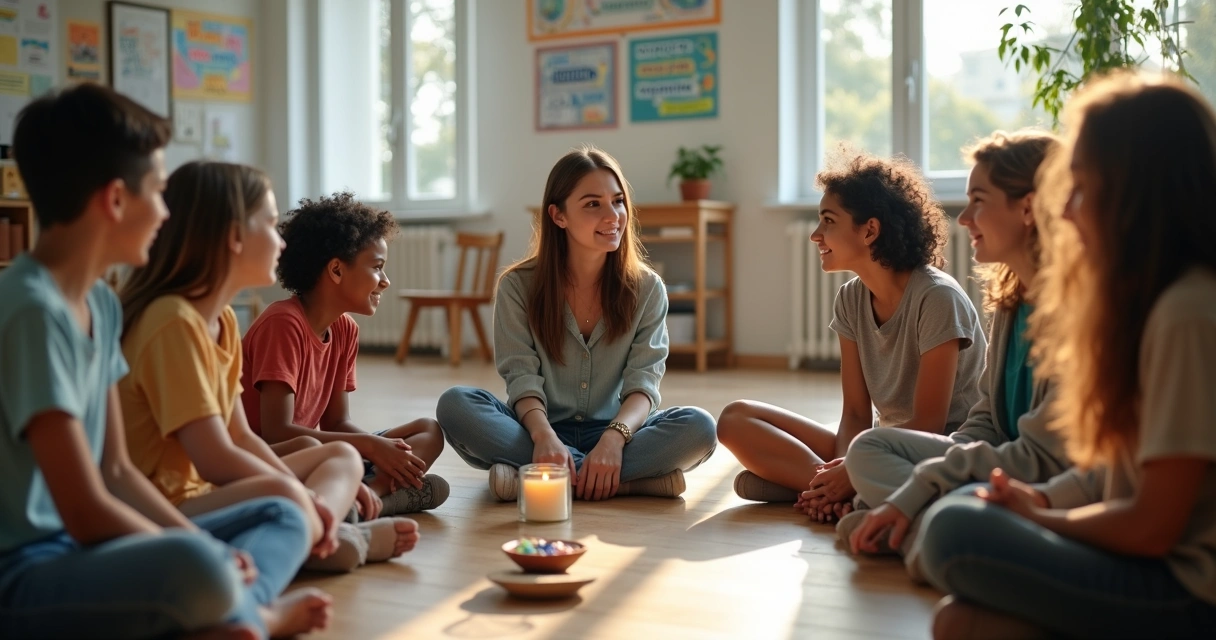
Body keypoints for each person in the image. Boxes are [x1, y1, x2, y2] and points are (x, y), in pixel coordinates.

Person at [0, 83, 328, 639]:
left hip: (89, 549)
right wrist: (201, 551)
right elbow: (82, 511)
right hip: (28, 570)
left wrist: (199, 545)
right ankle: (250, 614)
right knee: (199, 566)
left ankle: (225, 613)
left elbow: (117, 472)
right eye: (157, 190)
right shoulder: (33, 311)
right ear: (115, 200)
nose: (166, 211)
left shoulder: (101, 304)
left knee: (282, 514)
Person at [918, 72, 1216, 639]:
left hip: (1189, 592)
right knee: (958, 621)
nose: (1069, 212)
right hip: (1145, 560)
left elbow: (1153, 526)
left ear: (1134, 188)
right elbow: (1106, 475)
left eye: (1080, 188)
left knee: (954, 531)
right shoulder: (1145, 303)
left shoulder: (1188, 312)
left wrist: (1043, 518)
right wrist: (1037, 500)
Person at [119, 161, 418, 575]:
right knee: (294, 492)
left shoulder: (220, 319)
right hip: (174, 503)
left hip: (208, 490)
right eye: (270, 223)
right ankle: (328, 536)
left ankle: (323, 529)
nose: (280, 243)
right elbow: (214, 458)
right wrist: (295, 492)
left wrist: (296, 489)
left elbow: (240, 435)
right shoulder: (173, 321)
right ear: (233, 237)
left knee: (341, 459)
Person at [842, 130, 1074, 577]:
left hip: (1037, 483)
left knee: (912, 510)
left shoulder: (1076, 310)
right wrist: (936, 470)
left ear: (1028, 208)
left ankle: (923, 533)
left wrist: (918, 486)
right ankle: (927, 531)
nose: (964, 217)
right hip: (993, 468)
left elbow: (1040, 458)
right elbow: (987, 420)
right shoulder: (1011, 301)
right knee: (870, 448)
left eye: (979, 201)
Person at [717, 149, 986, 522]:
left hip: (940, 451)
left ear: (870, 230)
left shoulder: (938, 298)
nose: (815, 235)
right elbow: (857, 414)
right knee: (734, 419)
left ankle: (821, 489)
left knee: (753, 483)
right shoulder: (850, 299)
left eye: (828, 221)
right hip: (878, 446)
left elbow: (930, 425)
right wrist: (845, 469)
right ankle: (838, 493)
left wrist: (854, 466)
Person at [437, 146, 717, 501]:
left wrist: (613, 441)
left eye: (618, 201)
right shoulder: (517, 286)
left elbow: (643, 384)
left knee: (699, 427)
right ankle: (625, 483)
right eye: (592, 204)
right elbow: (520, 377)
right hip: (536, 429)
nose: (613, 215)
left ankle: (542, 478)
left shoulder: (647, 288)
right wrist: (543, 438)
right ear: (558, 216)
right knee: (456, 404)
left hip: (617, 430)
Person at [242, 191, 448, 515]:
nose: (386, 282)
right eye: (377, 268)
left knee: (428, 430)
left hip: (323, 451)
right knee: (324, 447)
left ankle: (365, 498)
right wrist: (369, 446)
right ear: (336, 270)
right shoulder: (282, 323)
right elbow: (276, 432)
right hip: (274, 457)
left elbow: (337, 421)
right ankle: (373, 499)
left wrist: (380, 448)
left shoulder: (345, 329)